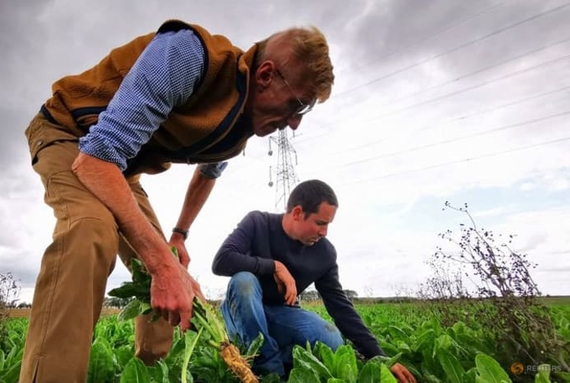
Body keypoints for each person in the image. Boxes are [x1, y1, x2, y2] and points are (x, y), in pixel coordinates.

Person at [20, 18, 335, 382]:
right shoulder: (188, 56)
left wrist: (178, 236)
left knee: (163, 262)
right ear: (265, 75)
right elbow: (95, 159)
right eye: (299, 104)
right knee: (91, 231)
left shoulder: (238, 125)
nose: (295, 123)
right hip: (71, 135)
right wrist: (163, 266)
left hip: (117, 167)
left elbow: (207, 174)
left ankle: (149, 373)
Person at [212, 180, 417, 383]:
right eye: (320, 223)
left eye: (328, 225)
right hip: (242, 312)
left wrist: (379, 356)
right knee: (243, 281)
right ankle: (270, 371)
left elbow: (340, 306)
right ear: (297, 213)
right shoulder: (258, 223)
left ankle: (269, 352)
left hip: (282, 314)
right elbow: (221, 261)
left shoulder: (325, 253)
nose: (324, 232)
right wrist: (274, 266)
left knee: (332, 340)